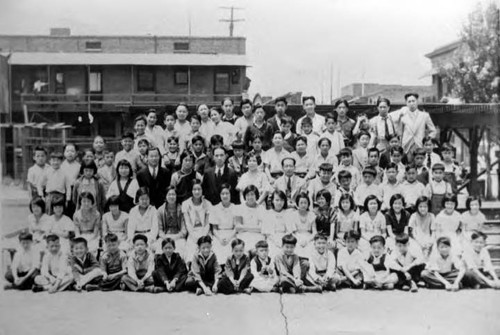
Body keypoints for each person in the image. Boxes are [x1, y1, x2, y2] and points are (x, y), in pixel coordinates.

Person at [391, 93, 437, 158]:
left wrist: (427, 140)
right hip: (407, 145)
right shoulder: (402, 116)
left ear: (417, 102)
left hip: (420, 144)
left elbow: (433, 131)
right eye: (409, 101)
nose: (412, 103)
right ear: (406, 103)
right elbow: (399, 132)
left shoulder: (424, 115)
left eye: (413, 101)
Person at [182, 179, 212, 262]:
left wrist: (203, 236)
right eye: (194, 189)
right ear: (191, 191)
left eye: (199, 189)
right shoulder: (186, 204)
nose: (197, 192)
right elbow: (187, 223)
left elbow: (207, 223)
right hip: (192, 234)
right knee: (191, 252)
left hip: (205, 232)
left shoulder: (207, 204)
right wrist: (194, 236)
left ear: (202, 190)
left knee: (208, 250)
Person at [156, 187, 187, 258]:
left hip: (178, 236)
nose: (171, 197)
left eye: (173, 194)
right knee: (159, 249)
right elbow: (159, 230)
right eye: (169, 194)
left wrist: (175, 237)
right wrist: (165, 237)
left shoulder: (182, 209)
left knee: (180, 250)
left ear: (176, 196)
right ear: (166, 196)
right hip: (165, 236)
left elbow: (184, 230)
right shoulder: (160, 210)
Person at [210, 184, 238, 262]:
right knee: (217, 247)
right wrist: (219, 238)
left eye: (227, 193)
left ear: (230, 194)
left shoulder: (235, 208)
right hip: (218, 234)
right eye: (222, 194)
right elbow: (214, 229)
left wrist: (229, 238)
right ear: (220, 195)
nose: (225, 196)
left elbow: (236, 227)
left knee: (232, 248)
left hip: (231, 233)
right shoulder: (215, 208)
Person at [262, 190, 295, 257]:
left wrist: (283, 240)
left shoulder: (288, 213)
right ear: (272, 201)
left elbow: (289, 231)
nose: (279, 202)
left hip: (285, 238)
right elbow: (268, 233)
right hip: (272, 238)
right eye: (277, 200)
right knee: (273, 252)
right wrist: (276, 241)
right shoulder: (267, 213)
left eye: (282, 200)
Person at [236, 185, 266, 252]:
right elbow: (238, 227)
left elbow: (261, 228)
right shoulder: (240, 208)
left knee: (256, 250)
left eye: (252, 194)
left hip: (258, 236)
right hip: (243, 235)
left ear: (256, 196)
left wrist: (244, 228)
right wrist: (254, 228)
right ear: (244, 196)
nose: (250, 197)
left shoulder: (261, 208)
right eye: (247, 195)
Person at [292, 193, 317, 257]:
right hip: (297, 237)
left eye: (305, 203)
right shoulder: (293, 215)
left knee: (311, 249)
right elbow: (292, 232)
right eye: (301, 203)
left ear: (308, 204)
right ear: (297, 204)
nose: (303, 205)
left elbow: (314, 232)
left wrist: (307, 240)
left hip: (309, 237)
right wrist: (299, 240)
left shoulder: (312, 215)